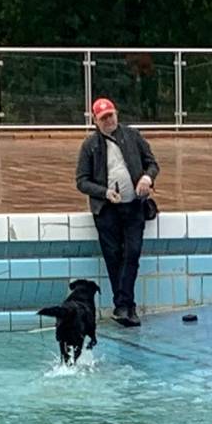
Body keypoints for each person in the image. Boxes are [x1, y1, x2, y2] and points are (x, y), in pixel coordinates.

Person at [73, 97, 159, 326]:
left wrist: (147, 178)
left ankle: (124, 304)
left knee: (132, 253)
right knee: (113, 256)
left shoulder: (132, 136)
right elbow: (81, 181)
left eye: (111, 115)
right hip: (107, 210)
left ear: (116, 114)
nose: (109, 120)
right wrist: (104, 192)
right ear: (95, 120)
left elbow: (152, 164)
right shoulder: (90, 145)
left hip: (134, 205)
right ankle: (125, 306)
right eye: (103, 118)